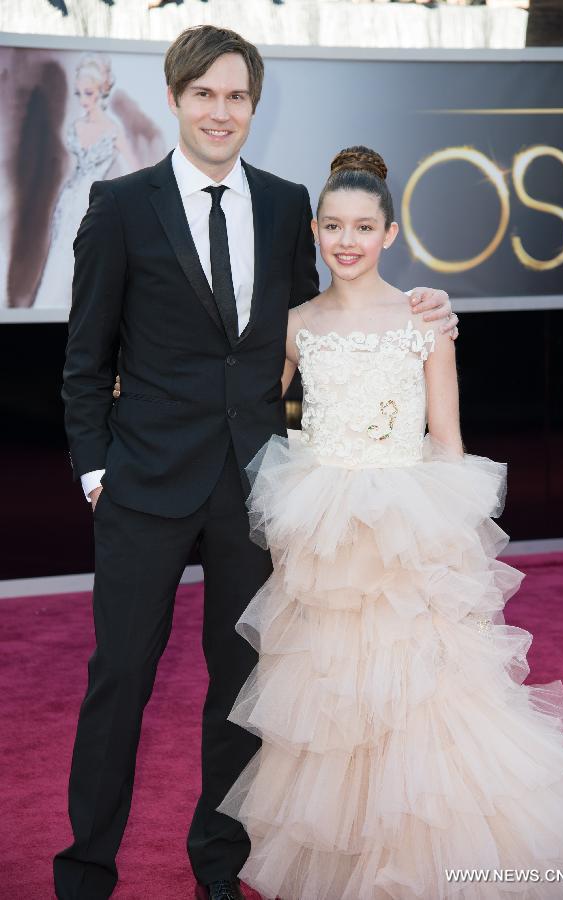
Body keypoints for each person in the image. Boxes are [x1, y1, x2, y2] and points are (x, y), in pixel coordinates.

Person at [55, 27, 457, 900]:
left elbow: (328, 308)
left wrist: (426, 302)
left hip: (258, 490)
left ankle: (219, 868)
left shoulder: (283, 205)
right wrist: (97, 474)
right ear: (173, 98)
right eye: (204, 94)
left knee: (241, 692)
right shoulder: (119, 207)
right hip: (143, 488)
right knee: (119, 679)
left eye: (236, 96)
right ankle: (85, 872)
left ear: (254, 106)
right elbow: (85, 361)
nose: (220, 111)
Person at [218, 146, 563, 899]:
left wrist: (449, 550)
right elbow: (252, 417)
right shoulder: (295, 326)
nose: (347, 240)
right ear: (316, 234)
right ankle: (353, 860)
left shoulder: (424, 318)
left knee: (423, 692)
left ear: (390, 233)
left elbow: (450, 443)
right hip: (325, 530)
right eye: (332, 226)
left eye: (363, 226)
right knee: (334, 697)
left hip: (406, 528)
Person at [33, 54, 138, 309]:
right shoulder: (76, 125)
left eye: (88, 93)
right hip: (68, 199)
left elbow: (134, 169)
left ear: (102, 92)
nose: (83, 100)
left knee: (81, 258)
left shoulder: (113, 130)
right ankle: (49, 310)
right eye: (79, 94)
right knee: (59, 257)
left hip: (92, 202)